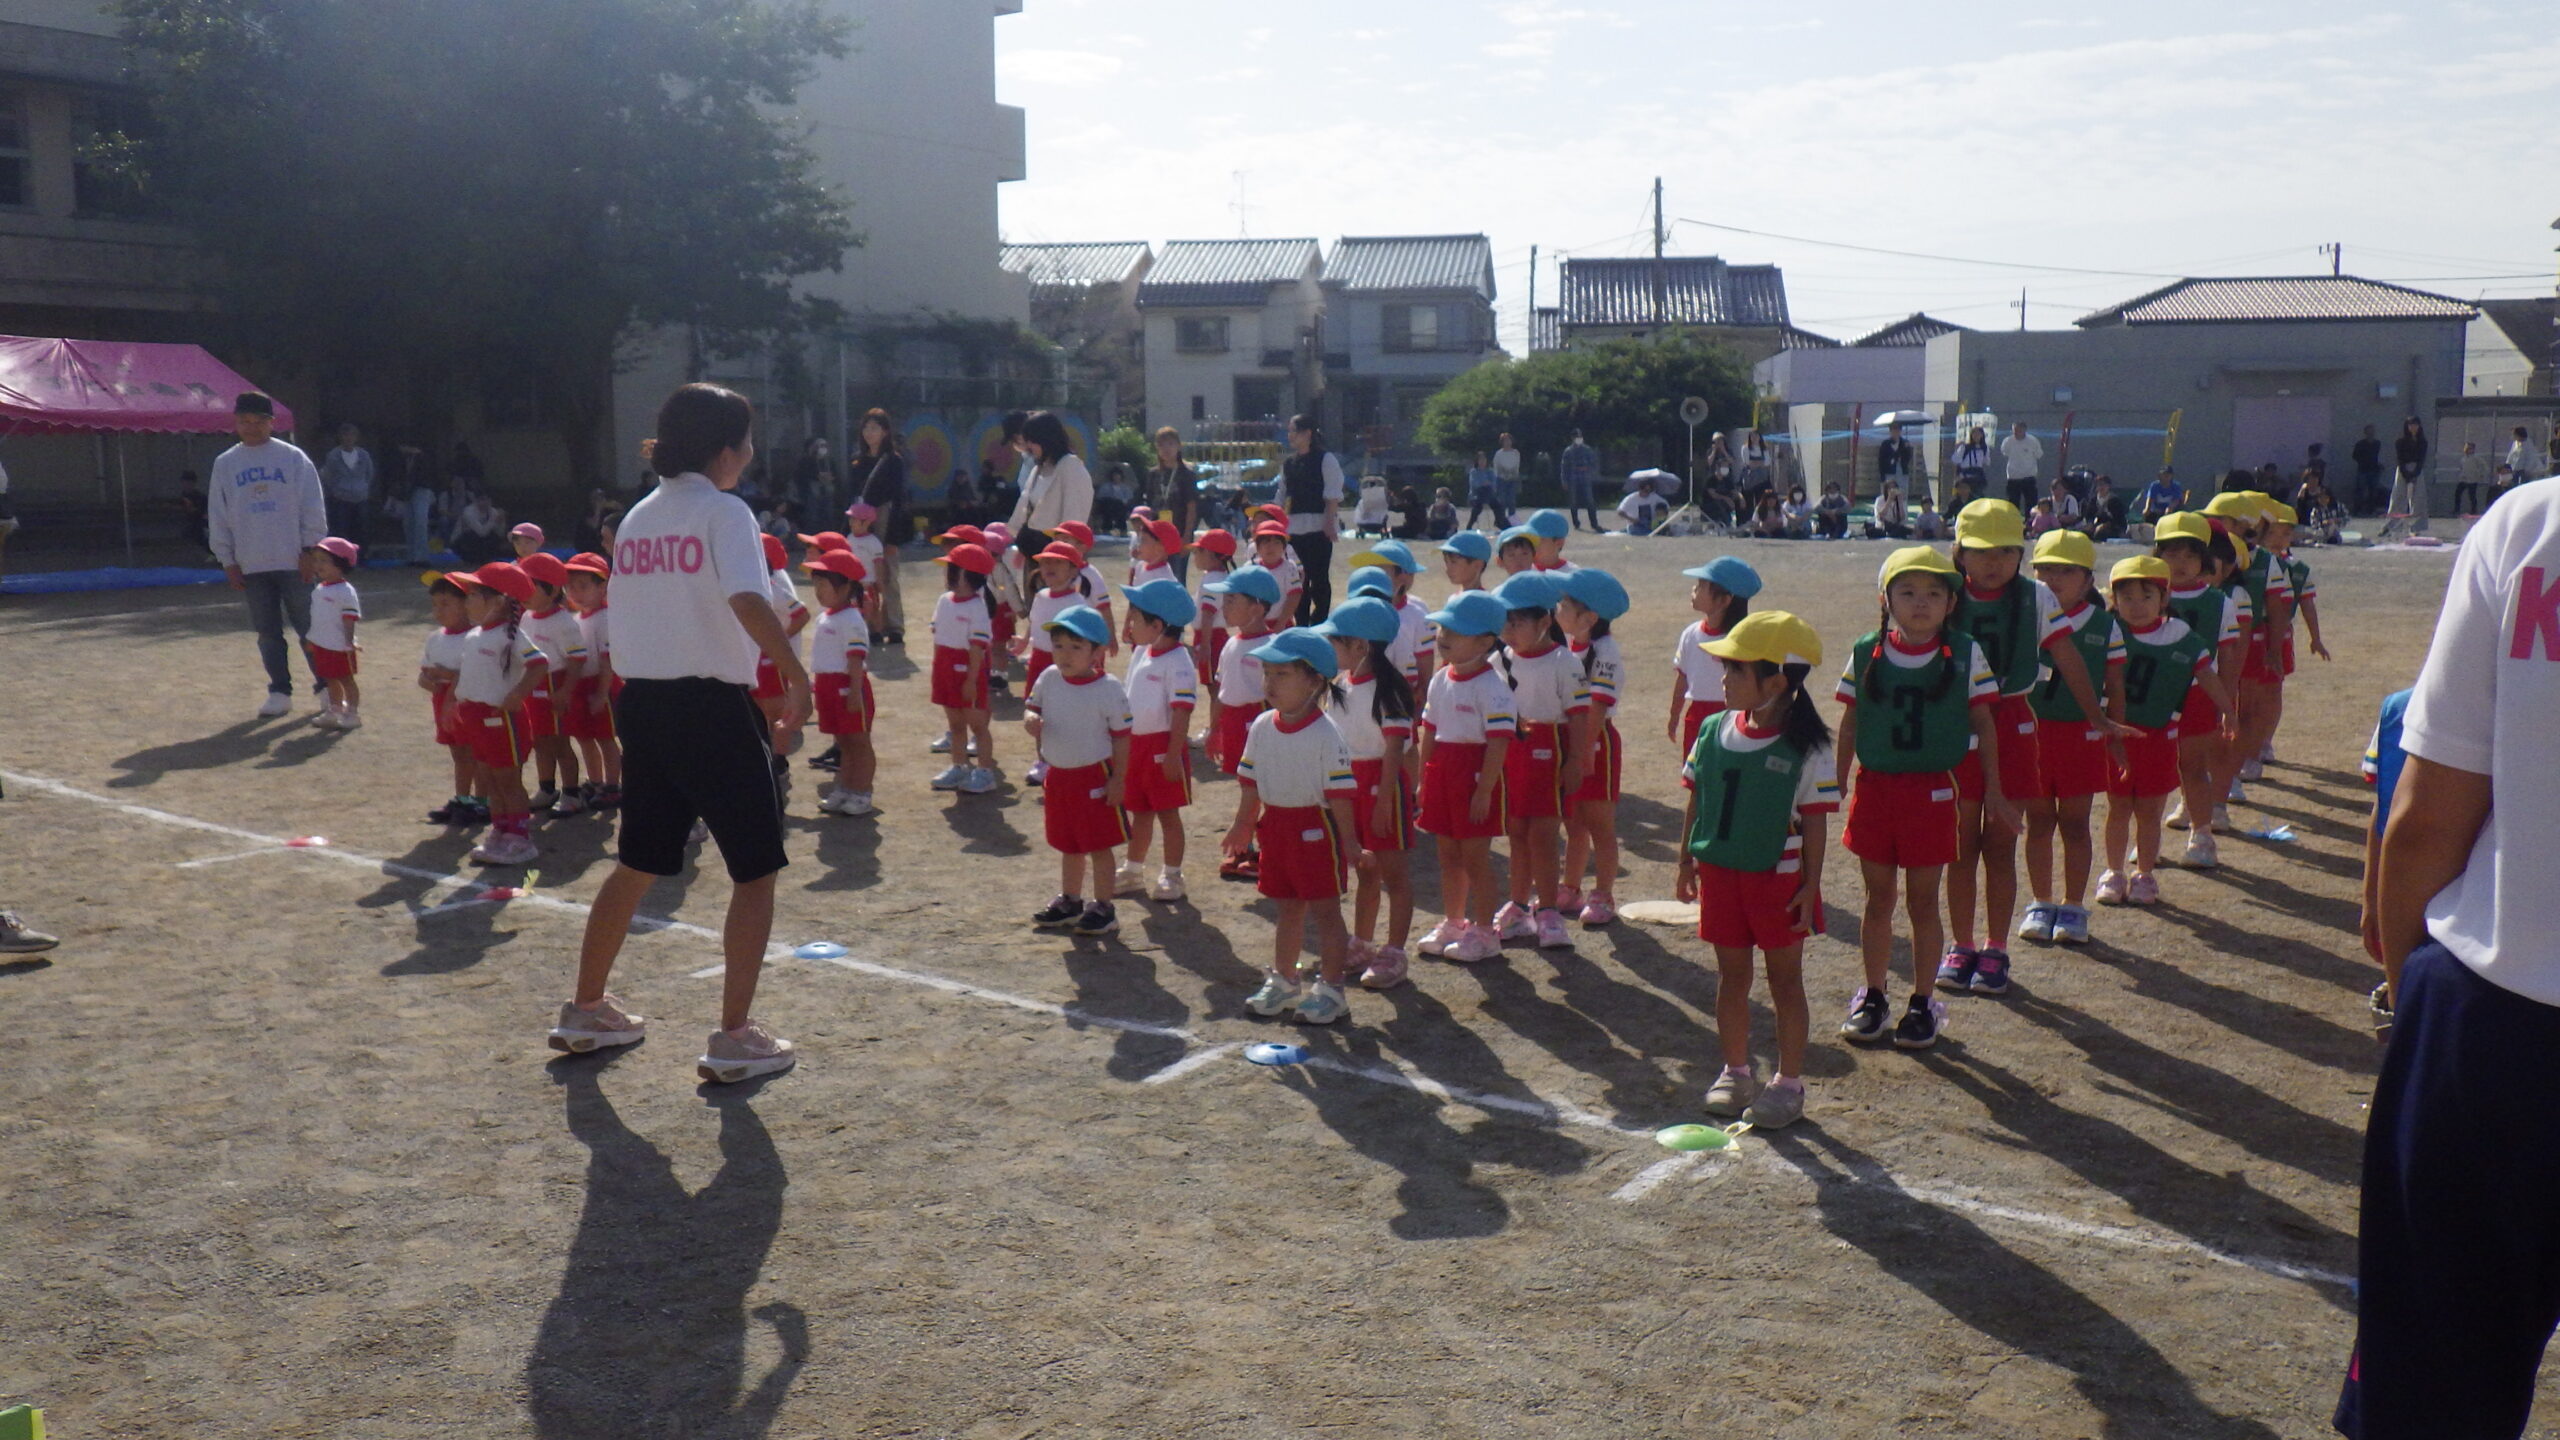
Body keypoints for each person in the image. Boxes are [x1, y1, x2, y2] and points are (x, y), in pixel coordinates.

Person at [2327, 475, 2560, 1439]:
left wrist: (2404, 998)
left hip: (2503, 1017)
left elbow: (2427, 820)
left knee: (2435, 1397)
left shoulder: (2534, 524)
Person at [551, 382, 810, 1087]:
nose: (750, 454)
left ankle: (586, 1009)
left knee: (636, 861)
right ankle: (735, 1037)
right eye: (746, 441)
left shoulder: (638, 516)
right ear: (725, 450)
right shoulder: (725, 511)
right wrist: (795, 673)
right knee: (754, 870)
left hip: (644, 705)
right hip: (711, 707)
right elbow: (748, 599)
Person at [1835, 546, 2010, 1052]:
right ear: (1885, 599)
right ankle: (1873, 996)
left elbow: (1984, 723)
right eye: (1907, 592)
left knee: (1922, 900)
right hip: (1876, 788)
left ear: (1951, 603)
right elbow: (1850, 720)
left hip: (1932, 791)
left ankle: (1922, 1001)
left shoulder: (1965, 652)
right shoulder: (1866, 650)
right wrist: (1837, 780)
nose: (1920, 602)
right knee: (1878, 898)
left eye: (1934, 593)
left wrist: (1995, 788)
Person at [1943, 500, 2116, 998]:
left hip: (2014, 723)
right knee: (1960, 847)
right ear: (1959, 552)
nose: (1993, 561)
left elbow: (2067, 656)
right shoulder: (1943, 591)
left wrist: (2097, 716)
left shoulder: (2035, 596)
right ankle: (1961, 944)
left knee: (2000, 844)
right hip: (1955, 726)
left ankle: (1995, 947)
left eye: (2005, 551)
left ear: (2020, 554)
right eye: (1980, 551)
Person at [1680, 612, 1837, 1131]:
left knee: (1784, 981)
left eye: (1736, 669)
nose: (1723, 678)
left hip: (1779, 881)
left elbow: (1815, 822)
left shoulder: (1808, 747)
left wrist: (1811, 886)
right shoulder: (1712, 729)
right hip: (1721, 875)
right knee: (1731, 977)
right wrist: (1684, 859)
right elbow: (1698, 797)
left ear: (1775, 683)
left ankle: (1788, 1084)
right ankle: (1736, 1072)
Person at [1223, 629, 1362, 1024]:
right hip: (1276, 828)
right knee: (1287, 908)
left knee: (1326, 911)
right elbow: (1250, 783)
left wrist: (1350, 843)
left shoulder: (1326, 734)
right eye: (1267, 672)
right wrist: (1242, 826)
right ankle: (1284, 980)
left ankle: (1332, 989)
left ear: (1315, 680)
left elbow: (1340, 796)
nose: (1269, 682)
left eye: (1282, 674)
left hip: (1315, 832)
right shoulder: (1262, 725)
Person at [2095, 556, 2230, 909]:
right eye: (2126, 597)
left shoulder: (2182, 636)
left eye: (2146, 596)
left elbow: (2207, 675)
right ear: (2113, 600)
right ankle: (2113, 872)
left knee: (2149, 810)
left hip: (2158, 736)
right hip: (2117, 735)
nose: (2136, 605)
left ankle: (2144, 874)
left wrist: (2229, 710)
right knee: (2117, 807)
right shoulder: (2107, 630)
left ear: (2164, 598)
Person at [2017, 530, 2123, 947]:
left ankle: (2074, 905)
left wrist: (2115, 733)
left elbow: (2116, 686)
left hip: (2081, 736)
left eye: (2066, 571)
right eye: (2044, 570)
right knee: (2039, 821)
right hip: (2032, 735)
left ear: (2087, 580)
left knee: (2076, 823)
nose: (2054, 579)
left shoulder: (2105, 625)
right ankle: (2041, 902)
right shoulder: (2022, 618)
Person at [207, 392, 329, 719]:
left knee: (310, 627)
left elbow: (312, 505)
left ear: (271, 423)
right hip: (252, 562)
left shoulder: (292, 458)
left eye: (258, 421)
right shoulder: (226, 463)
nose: (251, 427)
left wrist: (310, 549)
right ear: (236, 423)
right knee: (267, 633)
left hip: (294, 560)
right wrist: (227, 559)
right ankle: (279, 691)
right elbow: (218, 514)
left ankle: (326, 687)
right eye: (244, 421)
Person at [1316, 596, 1418, 988]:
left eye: (1335, 641)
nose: (1329, 647)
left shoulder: (1389, 691)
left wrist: (1385, 802)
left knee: (1394, 874)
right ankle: (1361, 943)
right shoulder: (1339, 686)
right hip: (1350, 785)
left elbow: (1394, 749)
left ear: (1360, 646)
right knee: (1365, 869)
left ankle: (1395, 952)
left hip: (1381, 786)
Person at [1412, 591, 1515, 964]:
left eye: (1456, 631)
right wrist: (1423, 780)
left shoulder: (1492, 686)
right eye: (1443, 628)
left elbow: (1498, 743)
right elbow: (1429, 731)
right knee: (1448, 857)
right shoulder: (1440, 678)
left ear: (1485, 642)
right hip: (1442, 773)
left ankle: (1485, 933)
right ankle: (1454, 923)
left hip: (1474, 776)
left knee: (1475, 859)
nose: (1444, 636)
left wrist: (1484, 791)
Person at [1491, 571, 1589, 950]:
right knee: (1516, 831)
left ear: (1545, 622)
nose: (1509, 631)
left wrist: (1576, 760)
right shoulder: (1500, 661)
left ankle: (1548, 911)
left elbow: (1579, 715)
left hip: (1550, 754)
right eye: (1505, 622)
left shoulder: (1565, 661)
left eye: (1517, 622)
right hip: (1511, 754)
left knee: (1544, 835)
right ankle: (1518, 906)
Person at [1024, 605, 1134, 938]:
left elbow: (1122, 737)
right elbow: (1032, 707)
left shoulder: (1109, 688)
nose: (1065, 654)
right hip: (1058, 775)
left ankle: (1104, 907)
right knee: (1068, 844)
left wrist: (1118, 779)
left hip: (1094, 776)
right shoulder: (1049, 677)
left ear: (1097, 652)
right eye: (1059, 646)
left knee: (1099, 845)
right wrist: (1031, 720)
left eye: (1076, 647)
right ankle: (1070, 901)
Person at [2153, 514, 2246, 864]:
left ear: (2205, 558)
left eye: (2190, 555)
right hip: (2152, 695)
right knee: (2154, 768)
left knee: (2192, 765)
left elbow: (2228, 656)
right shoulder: (2142, 595)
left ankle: (2202, 834)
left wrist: (2228, 703)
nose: (2180, 563)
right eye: (2171, 553)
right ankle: (2148, 839)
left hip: (2197, 694)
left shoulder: (2220, 602)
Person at [446, 560, 550, 867]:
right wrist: (455, 704)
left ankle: (519, 838)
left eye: (473, 594)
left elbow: (539, 664)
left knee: (508, 780)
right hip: (475, 717)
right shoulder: (475, 635)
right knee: (489, 778)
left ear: (500, 601)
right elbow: (467, 676)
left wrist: (517, 695)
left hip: (502, 720)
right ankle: (500, 831)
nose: (466, 600)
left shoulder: (510, 636)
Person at [1114, 579, 1199, 903]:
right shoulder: (1141, 652)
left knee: (1167, 814)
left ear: (1158, 626)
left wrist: (1174, 755)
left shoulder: (1179, 661)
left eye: (1135, 619)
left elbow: (1181, 711)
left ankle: (1172, 875)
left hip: (1163, 748)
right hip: (1136, 747)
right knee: (1139, 811)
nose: (1130, 625)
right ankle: (1132, 870)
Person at [1556, 568, 1629, 927]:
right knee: (1573, 821)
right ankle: (1570, 887)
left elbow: (1598, 708)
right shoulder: (1568, 646)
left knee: (1599, 823)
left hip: (1595, 743)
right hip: (1571, 740)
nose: (1557, 608)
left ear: (1589, 617)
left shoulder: (1606, 651)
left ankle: (1603, 894)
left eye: (1565, 604)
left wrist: (1582, 754)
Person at [800, 549, 875, 818]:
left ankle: (861, 792)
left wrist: (854, 693)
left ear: (845, 587)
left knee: (859, 742)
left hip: (847, 687)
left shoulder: (852, 619)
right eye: (816, 585)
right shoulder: (826, 616)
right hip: (828, 688)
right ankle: (845, 789)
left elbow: (855, 658)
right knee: (844, 742)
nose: (818, 591)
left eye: (823, 585)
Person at [518, 552, 592, 811]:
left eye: (530, 586)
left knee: (560, 743)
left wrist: (565, 691)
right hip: (533, 687)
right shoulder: (526, 617)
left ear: (551, 590)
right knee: (540, 741)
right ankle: (547, 788)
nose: (523, 593)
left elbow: (577, 658)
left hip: (555, 686)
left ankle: (571, 794)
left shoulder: (563, 622)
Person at [1669, 557, 1757, 769]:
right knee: (1695, 772)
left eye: (1701, 585)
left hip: (1735, 716)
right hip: (1696, 716)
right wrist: (1674, 715)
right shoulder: (1691, 633)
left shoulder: (1745, 639)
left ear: (1724, 600)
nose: (1694, 589)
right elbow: (1682, 677)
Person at [927, 543, 1000, 794]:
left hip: (967, 670)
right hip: (945, 668)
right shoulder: (943, 601)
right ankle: (958, 767)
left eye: (953, 570)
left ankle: (985, 772)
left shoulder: (977, 607)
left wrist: (971, 680)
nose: (948, 575)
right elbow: (938, 636)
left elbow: (977, 647)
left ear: (970, 576)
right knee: (956, 724)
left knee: (977, 726)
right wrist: (938, 670)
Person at [418, 572, 485, 826]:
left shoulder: (476, 636)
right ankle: (463, 798)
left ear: (466, 603)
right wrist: (430, 682)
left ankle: (482, 801)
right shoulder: (435, 637)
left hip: (466, 703)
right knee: (459, 753)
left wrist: (448, 676)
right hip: (443, 701)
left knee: (477, 754)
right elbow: (423, 675)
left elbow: (477, 672)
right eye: (435, 604)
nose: (439, 610)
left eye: (446, 603)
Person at [560, 553, 623, 812]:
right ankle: (595, 781)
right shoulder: (577, 618)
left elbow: (608, 661)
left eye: (583, 586)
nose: (575, 593)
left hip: (601, 686)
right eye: (570, 587)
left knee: (605, 738)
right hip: (581, 686)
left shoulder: (606, 617)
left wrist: (601, 693)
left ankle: (612, 786)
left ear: (602, 586)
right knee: (585, 737)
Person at [848, 409, 910, 644]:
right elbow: (851, 496)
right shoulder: (857, 461)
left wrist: (893, 538)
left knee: (888, 573)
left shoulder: (893, 461)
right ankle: (870, 624)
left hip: (885, 516)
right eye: (866, 427)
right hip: (860, 520)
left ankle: (894, 626)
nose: (869, 432)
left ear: (885, 432)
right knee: (864, 573)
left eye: (874, 428)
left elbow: (898, 500)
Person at [304, 536, 364, 730]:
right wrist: (313, 640)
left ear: (341, 564)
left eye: (324, 560)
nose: (318, 565)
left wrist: (349, 642)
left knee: (346, 679)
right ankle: (335, 710)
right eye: (316, 560)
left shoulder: (346, 591)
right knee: (329, 678)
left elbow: (349, 618)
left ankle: (352, 714)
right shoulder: (319, 589)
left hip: (340, 646)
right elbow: (318, 618)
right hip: (323, 644)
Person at [319, 424, 376, 548]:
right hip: (341, 499)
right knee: (341, 531)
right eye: (345, 435)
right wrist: (337, 490)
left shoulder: (364, 455)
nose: (348, 438)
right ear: (340, 437)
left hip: (360, 498)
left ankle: (361, 556)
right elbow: (328, 476)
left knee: (361, 531)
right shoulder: (333, 456)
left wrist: (362, 488)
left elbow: (369, 474)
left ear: (356, 437)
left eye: (352, 435)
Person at [1147, 427, 1198, 558]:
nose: (1166, 449)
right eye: (1161, 445)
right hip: (1157, 534)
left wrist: (1187, 536)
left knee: (1177, 569)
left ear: (1178, 446)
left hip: (1179, 532)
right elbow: (1149, 505)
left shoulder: (1187, 474)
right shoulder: (1153, 474)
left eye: (1170, 444)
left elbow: (1191, 507)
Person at [1559, 429, 1601, 532]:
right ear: (1572, 438)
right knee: (1573, 502)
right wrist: (1564, 480)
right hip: (1572, 479)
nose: (1578, 439)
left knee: (1590, 501)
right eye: (1576, 437)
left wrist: (1590, 472)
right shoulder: (1568, 451)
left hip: (1585, 478)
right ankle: (1576, 523)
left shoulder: (1587, 450)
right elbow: (1564, 467)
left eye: (1580, 436)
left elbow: (1594, 463)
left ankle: (1594, 523)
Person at [1999, 420, 2044, 512]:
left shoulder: (2032, 441)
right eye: (2014, 430)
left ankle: (2030, 520)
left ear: (2024, 430)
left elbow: (2039, 454)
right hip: (2013, 476)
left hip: (2029, 476)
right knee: (2013, 504)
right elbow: (2005, 452)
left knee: (2031, 503)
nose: (2016, 433)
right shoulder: (2008, 441)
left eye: (2018, 430)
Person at [794, 436, 836, 516]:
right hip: (812, 493)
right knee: (813, 514)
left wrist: (831, 477)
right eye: (820, 446)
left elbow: (835, 474)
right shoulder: (806, 460)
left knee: (828, 513)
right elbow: (801, 475)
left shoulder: (830, 461)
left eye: (825, 445)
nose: (823, 448)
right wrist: (817, 476)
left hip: (828, 491)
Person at [1465, 451, 1506, 531]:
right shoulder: (1474, 471)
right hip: (1476, 495)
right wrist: (1484, 483)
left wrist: (1487, 484)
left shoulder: (1490, 471)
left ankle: (1499, 521)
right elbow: (1474, 484)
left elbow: (1494, 484)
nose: (1482, 462)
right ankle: (1470, 524)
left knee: (1498, 505)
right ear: (1477, 461)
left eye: (1484, 460)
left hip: (1489, 494)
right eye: (1480, 460)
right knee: (1478, 505)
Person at [1953, 426, 1992, 510]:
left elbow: (1987, 462)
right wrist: (1957, 449)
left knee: (1978, 497)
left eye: (1978, 434)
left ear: (1982, 435)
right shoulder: (1965, 447)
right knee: (1964, 498)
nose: (1976, 436)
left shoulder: (1984, 448)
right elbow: (1956, 460)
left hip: (1978, 477)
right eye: (1974, 434)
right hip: (1966, 477)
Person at [1876, 422, 1916, 501]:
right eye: (1893, 430)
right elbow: (1881, 461)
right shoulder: (1885, 444)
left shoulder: (1905, 443)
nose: (1896, 432)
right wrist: (1882, 476)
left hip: (1902, 472)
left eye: (1898, 430)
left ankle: (1902, 508)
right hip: (1889, 473)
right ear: (1890, 431)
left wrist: (1905, 450)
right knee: (1888, 494)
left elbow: (1908, 458)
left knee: (1902, 494)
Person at [176, 468, 209, 554]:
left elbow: (202, 513)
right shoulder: (181, 497)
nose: (187, 485)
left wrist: (190, 508)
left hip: (199, 525)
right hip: (186, 524)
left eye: (189, 482)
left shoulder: (201, 497)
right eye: (185, 482)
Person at [1491, 431, 1523, 517]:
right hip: (1501, 479)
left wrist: (1512, 473)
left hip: (1512, 479)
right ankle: (1502, 519)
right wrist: (1501, 474)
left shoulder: (1516, 453)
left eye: (1509, 440)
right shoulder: (1498, 453)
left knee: (1511, 501)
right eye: (1505, 440)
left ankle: (1512, 519)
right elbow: (1496, 467)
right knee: (1502, 500)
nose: (1507, 442)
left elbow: (1517, 465)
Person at [2454, 441, 2491, 516]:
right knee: (2457, 493)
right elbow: (2461, 468)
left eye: (2469, 448)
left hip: (2472, 480)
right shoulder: (2463, 459)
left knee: (2472, 495)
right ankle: (2456, 509)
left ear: (2473, 449)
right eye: (2466, 448)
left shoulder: (2476, 458)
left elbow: (2485, 467)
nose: (2467, 449)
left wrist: (2481, 474)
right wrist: (2461, 475)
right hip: (2463, 479)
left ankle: (2474, 510)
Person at [2086, 476, 2127, 541]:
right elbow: (2089, 515)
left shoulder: (2114, 500)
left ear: (2109, 486)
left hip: (2114, 527)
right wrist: (2090, 523)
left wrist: (2106, 525)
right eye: (2099, 485)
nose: (2101, 487)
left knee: (2101, 532)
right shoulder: (2093, 500)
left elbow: (2119, 519)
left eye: (2104, 485)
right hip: (2097, 524)